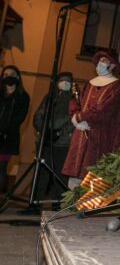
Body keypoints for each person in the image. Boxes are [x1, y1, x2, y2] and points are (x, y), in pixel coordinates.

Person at [62, 51, 120, 185]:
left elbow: (104, 111)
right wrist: (75, 117)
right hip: (80, 136)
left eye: (104, 61)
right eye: (99, 61)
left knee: (91, 179)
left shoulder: (116, 87)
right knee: (74, 180)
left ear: (113, 66)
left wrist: (81, 117)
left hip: (99, 138)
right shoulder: (89, 84)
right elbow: (78, 102)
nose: (99, 64)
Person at [31, 72, 75, 208]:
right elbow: (38, 115)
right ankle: (34, 204)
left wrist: (59, 132)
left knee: (60, 175)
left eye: (68, 81)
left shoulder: (74, 100)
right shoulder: (49, 97)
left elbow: (73, 120)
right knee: (41, 174)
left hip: (62, 144)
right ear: (57, 83)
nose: (64, 83)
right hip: (44, 142)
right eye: (62, 80)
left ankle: (57, 205)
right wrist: (45, 130)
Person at [0, 65, 30, 191]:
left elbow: (20, 118)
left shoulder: (23, 97)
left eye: (11, 74)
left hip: (8, 140)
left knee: (1, 167)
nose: (8, 77)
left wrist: (4, 130)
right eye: (5, 75)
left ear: (17, 77)